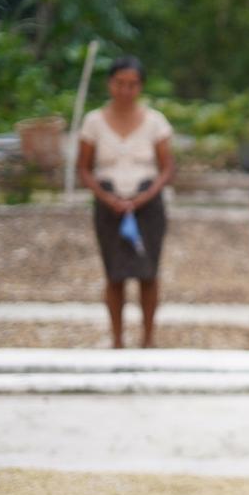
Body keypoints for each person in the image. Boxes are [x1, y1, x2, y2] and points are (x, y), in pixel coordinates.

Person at [76, 56, 175, 349]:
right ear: (110, 84)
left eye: (132, 84)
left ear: (140, 87)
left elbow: (167, 167)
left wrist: (145, 196)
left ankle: (148, 338)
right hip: (109, 203)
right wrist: (107, 198)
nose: (125, 90)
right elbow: (84, 167)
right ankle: (117, 339)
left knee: (148, 271)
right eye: (120, 83)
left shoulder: (155, 121)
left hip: (147, 202)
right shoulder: (93, 121)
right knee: (114, 272)